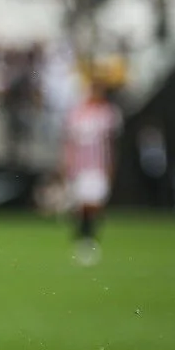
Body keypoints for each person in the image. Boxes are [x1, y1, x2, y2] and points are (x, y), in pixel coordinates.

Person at [62, 82, 122, 265]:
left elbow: (111, 143)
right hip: (81, 167)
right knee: (81, 204)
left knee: (96, 204)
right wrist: (67, 164)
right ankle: (83, 237)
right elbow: (69, 142)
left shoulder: (108, 113)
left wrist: (110, 165)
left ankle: (90, 237)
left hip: (98, 165)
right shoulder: (76, 113)